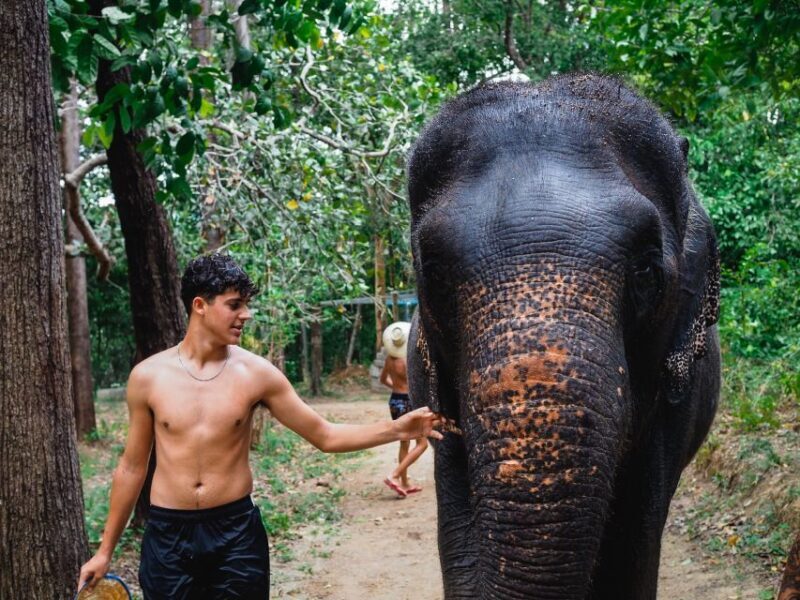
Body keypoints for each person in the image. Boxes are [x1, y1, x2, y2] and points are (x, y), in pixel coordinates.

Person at [77, 254, 442, 599]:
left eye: (246, 305)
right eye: (234, 305)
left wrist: (397, 429)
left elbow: (325, 435)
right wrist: (104, 551)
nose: (246, 315)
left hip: (235, 532)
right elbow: (132, 466)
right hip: (168, 535)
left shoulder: (257, 374)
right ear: (200, 306)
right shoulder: (148, 377)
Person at [379, 321, 429, 498]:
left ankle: (405, 482)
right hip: (409, 401)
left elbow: (383, 380)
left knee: (404, 442)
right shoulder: (408, 360)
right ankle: (395, 475)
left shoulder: (389, 360)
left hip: (394, 401)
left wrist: (397, 388)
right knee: (422, 444)